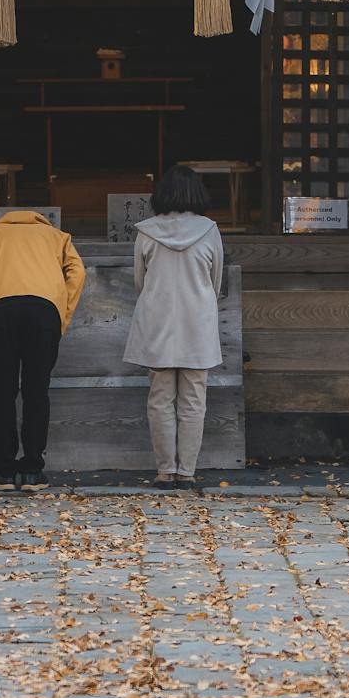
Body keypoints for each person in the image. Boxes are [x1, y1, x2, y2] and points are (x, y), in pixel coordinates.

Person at [0, 205, 86, 484]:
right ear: (40, 219)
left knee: (3, 391)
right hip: (44, 312)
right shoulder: (57, 236)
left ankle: (4, 469)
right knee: (36, 390)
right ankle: (32, 469)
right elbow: (77, 273)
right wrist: (62, 314)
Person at [123, 164, 225, 488]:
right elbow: (216, 280)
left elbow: (140, 282)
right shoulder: (209, 230)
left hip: (157, 321)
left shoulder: (146, 232)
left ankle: (165, 471)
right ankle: (187, 472)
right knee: (194, 399)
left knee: (160, 397)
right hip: (198, 324)